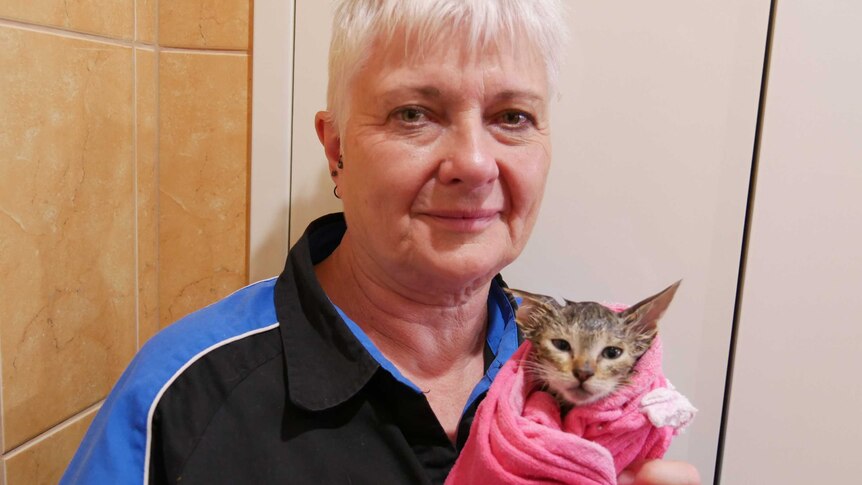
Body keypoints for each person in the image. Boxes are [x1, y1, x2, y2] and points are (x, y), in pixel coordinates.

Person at [62, 1, 700, 484]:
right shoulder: (180, 398)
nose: (475, 164)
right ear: (336, 150)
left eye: (513, 117)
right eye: (413, 114)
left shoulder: (596, 391)